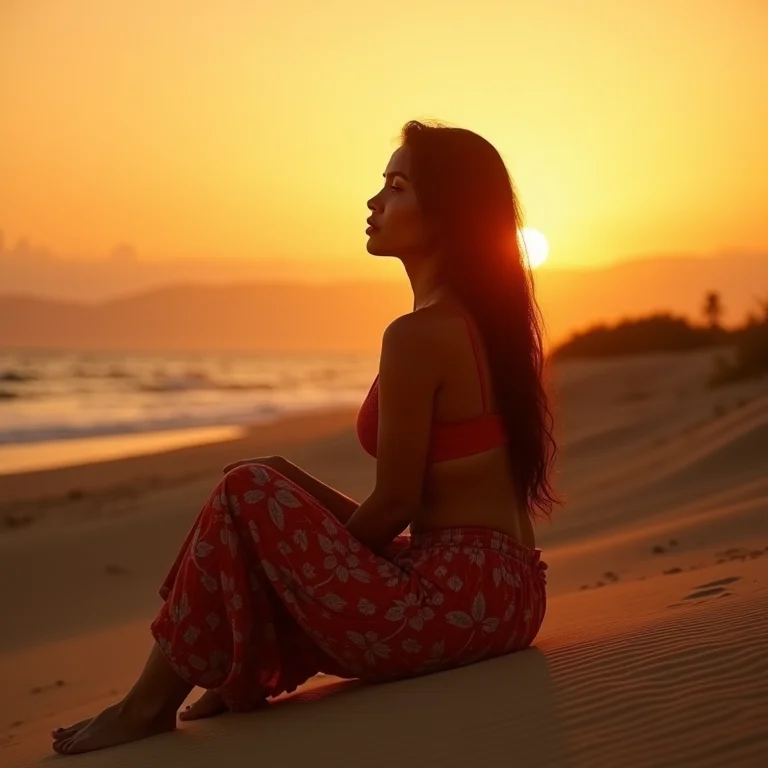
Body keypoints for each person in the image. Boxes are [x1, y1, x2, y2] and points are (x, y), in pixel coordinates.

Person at [51, 120, 558, 755]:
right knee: (265, 483)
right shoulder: (489, 327)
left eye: (396, 187)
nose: (374, 201)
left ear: (446, 213)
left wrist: (292, 561)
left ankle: (148, 705)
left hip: (450, 608)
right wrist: (293, 505)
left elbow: (394, 504)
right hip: (511, 598)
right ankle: (226, 674)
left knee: (245, 491)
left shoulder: (418, 335)